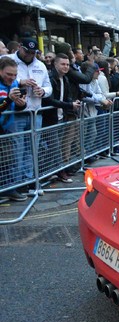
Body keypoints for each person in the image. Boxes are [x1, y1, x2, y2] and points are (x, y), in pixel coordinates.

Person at [8, 37, 52, 183]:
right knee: (17, 151)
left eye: (33, 53)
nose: (29, 55)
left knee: (32, 149)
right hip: (16, 113)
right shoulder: (7, 60)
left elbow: (49, 87)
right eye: (27, 52)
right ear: (20, 47)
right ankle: (16, 183)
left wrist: (43, 91)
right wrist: (20, 82)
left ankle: (28, 180)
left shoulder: (40, 65)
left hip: (35, 112)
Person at [41, 53, 82, 183]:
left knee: (54, 148)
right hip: (49, 118)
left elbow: (67, 96)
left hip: (60, 116)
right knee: (55, 146)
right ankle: (61, 171)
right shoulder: (50, 78)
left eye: (68, 65)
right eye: (63, 64)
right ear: (55, 64)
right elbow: (50, 100)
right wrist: (69, 104)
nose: (65, 67)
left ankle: (45, 172)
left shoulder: (65, 79)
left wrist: (72, 103)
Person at [0, 56, 28, 201]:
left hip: (7, 128)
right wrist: (9, 99)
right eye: (8, 74)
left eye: (15, 75)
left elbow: (18, 108)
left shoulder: (15, 83)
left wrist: (21, 104)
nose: (12, 78)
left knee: (8, 160)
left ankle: (9, 189)